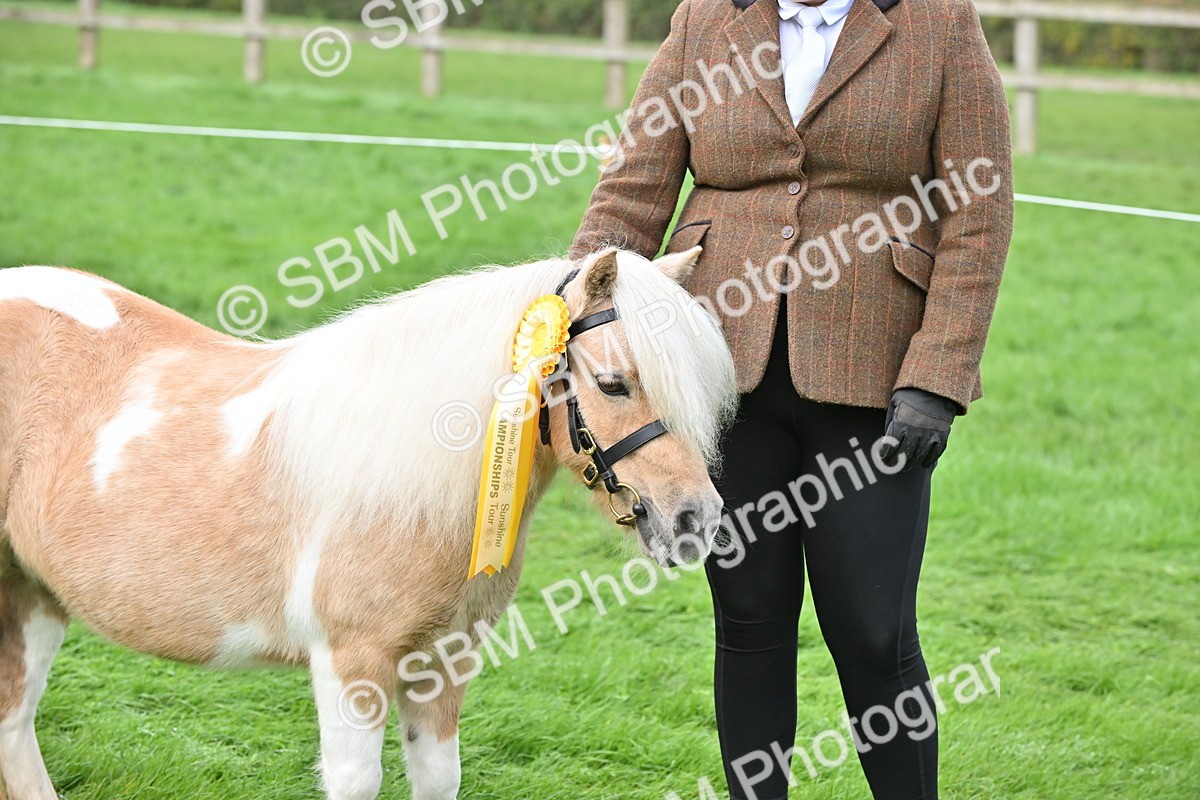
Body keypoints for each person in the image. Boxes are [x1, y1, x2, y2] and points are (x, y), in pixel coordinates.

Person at [569, 0, 1013, 798]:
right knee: (749, 620)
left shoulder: (939, 22)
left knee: (874, 633)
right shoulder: (705, 19)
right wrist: (570, 313)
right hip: (718, 373)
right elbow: (633, 188)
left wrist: (939, 370)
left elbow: (979, 211)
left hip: (878, 382)